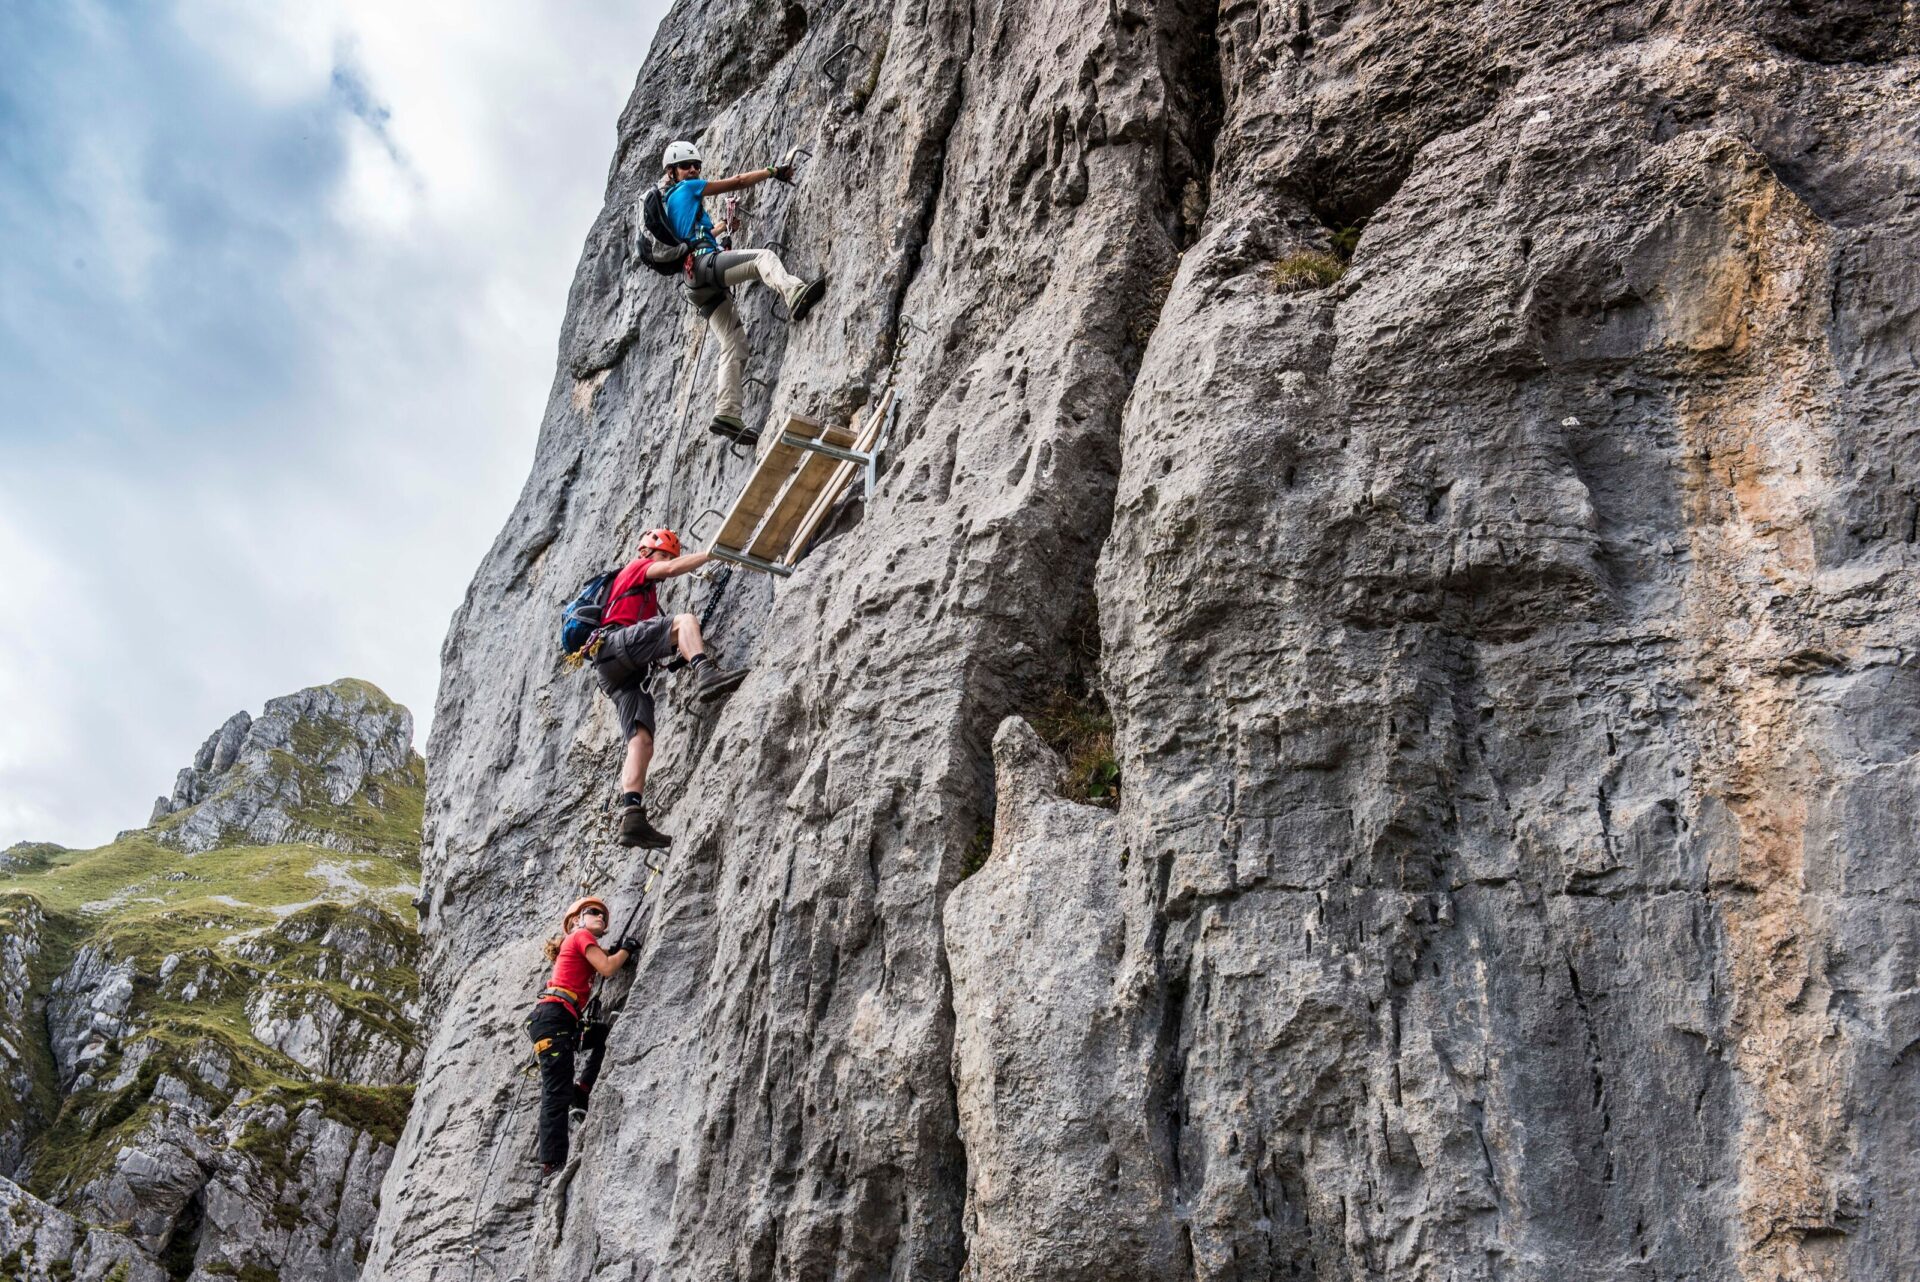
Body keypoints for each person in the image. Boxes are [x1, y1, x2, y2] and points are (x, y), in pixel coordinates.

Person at [659, 140, 827, 446]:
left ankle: (727, 414)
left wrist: (725, 225)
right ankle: (794, 294)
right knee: (763, 258)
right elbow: (736, 182)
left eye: (696, 165)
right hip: (706, 266)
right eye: (686, 166)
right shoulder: (689, 188)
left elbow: (699, 237)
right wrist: (774, 171)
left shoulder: (670, 204)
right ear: (672, 172)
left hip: (695, 283)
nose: (693, 170)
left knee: (733, 343)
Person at [590, 527, 747, 848]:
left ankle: (632, 816)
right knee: (685, 621)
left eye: (668, 557)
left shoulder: (642, 602)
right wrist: (716, 553)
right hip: (616, 646)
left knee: (641, 740)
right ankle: (705, 674)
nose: (665, 564)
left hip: (614, 670)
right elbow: (674, 570)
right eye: (662, 555)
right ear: (646, 553)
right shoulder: (634, 568)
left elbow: (651, 640)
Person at [527, 896, 639, 1177]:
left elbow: (602, 963)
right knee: (555, 1091)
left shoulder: (582, 945)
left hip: (562, 1023)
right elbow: (609, 967)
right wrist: (625, 951)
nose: (601, 917)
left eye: (603, 914)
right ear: (577, 920)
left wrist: (614, 953)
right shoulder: (579, 936)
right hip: (554, 1020)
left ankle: (582, 1092)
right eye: (593, 912)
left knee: (601, 1035)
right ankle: (551, 1163)